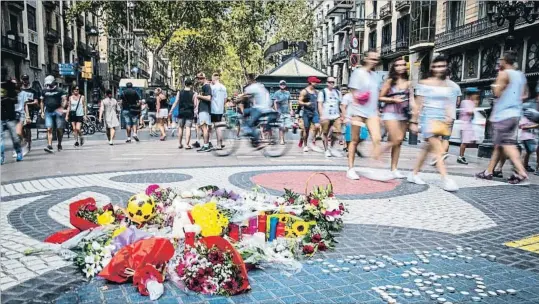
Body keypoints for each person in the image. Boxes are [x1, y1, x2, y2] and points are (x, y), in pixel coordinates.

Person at [475, 50, 529, 184]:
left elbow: (497, 92)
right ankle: (489, 171)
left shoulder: (504, 74)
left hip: (503, 115)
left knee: (506, 144)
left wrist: (497, 84)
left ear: (504, 61)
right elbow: (524, 95)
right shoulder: (520, 75)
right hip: (515, 114)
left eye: (501, 60)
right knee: (499, 145)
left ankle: (521, 172)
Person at [407, 56, 459, 191]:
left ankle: (413, 174)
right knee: (438, 150)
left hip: (441, 120)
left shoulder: (448, 85)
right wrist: (414, 121)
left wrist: (448, 117)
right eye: (436, 66)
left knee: (426, 149)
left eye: (442, 66)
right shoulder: (425, 83)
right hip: (428, 119)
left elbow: (448, 103)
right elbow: (418, 105)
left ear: (446, 68)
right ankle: (445, 178)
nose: (438, 69)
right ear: (431, 68)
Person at [346, 51, 385, 180]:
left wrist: (378, 112)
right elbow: (353, 92)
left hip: (372, 113)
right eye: (372, 58)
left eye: (376, 59)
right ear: (366, 58)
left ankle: (374, 168)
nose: (374, 60)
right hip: (357, 112)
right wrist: (358, 99)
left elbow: (377, 95)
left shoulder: (376, 76)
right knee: (354, 140)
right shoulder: (358, 73)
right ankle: (350, 169)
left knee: (377, 139)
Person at [378, 57, 413, 178]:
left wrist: (414, 113)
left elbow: (411, 99)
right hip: (390, 112)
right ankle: (378, 154)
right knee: (396, 139)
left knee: (398, 142)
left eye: (403, 65)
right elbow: (380, 97)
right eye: (397, 65)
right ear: (394, 67)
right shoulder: (389, 81)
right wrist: (393, 99)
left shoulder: (409, 83)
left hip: (403, 113)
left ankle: (394, 168)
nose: (400, 67)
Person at [430, 72, 462, 165]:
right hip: (451, 115)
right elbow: (458, 102)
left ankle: (439, 155)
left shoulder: (440, 85)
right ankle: (442, 156)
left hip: (440, 114)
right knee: (446, 138)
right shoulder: (456, 86)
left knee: (436, 137)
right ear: (450, 75)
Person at [238, 73, 272, 147]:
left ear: (250, 80)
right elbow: (249, 96)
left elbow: (245, 95)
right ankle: (254, 138)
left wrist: (237, 100)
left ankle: (257, 141)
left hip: (259, 108)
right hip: (265, 108)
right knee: (248, 115)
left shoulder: (252, 87)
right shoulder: (260, 86)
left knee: (248, 123)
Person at [318, 77, 345, 157]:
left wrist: (343, 115)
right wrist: (321, 115)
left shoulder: (338, 92)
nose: (331, 83)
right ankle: (326, 149)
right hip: (326, 116)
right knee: (325, 133)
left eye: (333, 82)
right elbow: (320, 104)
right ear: (327, 83)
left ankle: (332, 147)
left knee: (337, 132)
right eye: (330, 82)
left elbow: (341, 104)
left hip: (336, 115)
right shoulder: (322, 92)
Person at [40, 75, 67, 153]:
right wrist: (42, 111)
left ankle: (59, 144)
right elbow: (41, 102)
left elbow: (65, 100)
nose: (48, 85)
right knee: (49, 128)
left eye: (50, 83)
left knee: (59, 129)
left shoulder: (59, 90)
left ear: (53, 82)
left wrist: (62, 108)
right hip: (48, 111)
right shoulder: (44, 91)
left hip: (58, 111)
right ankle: (49, 145)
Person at [1, 68, 23, 163]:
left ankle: (18, 151)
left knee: (14, 137)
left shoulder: (10, 85)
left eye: (3, 74)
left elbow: (16, 99)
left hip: (10, 115)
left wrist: (7, 99)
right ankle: (1, 157)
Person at [170, 78, 197, 149]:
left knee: (180, 128)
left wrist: (171, 111)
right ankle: (187, 144)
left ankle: (179, 143)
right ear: (191, 85)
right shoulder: (194, 93)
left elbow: (176, 102)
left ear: (184, 84)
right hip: (189, 113)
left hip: (181, 112)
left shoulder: (180, 92)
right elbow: (195, 105)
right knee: (188, 128)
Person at [298, 76, 323, 153]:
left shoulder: (317, 92)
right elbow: (299, 102)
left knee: (317, 126)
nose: (317, 83)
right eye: (315, 82)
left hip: (315, 112)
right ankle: (305, 145)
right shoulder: (304, 91)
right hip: (306, 113)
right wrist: (306, 103)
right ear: (311, 83)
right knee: (306, 130)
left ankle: (311, 141)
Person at [457, 88, 480, 165]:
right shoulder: (466, 102)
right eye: (475, 95)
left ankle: (461, 156)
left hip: (468, 124)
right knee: (464, 142)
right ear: (471, 95)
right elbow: (469, 112)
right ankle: (460, 157)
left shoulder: (470, 102)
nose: (476, 97)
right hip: (465, 124)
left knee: (467, 142)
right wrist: (475, 105)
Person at [18, 74, 38, 155]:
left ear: (28, 80)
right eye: (23, 79)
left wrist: (28, 103)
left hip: (29, 111)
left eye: (26, 79)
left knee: (27, 128)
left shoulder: (33, 91)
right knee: (21, 128)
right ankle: (24, 140)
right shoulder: (19, 90)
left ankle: (28, 143)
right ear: (22, 80)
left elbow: (36, 102)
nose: (25, 81)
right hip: (20, 111)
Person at [195, 72, 213, 152]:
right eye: (198, 79)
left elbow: (209, 98)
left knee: (204, 128)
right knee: (205, 128)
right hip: (204, 109)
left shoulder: (207, 86)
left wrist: (199, 96)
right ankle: (207, 144)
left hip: (204, 110)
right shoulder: (204, 87)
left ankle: (206, 146)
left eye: (200, 79)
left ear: (203, 78)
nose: (199, 80)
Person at [210, 73, 227, 149]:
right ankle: (221, 142)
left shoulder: (213, 88)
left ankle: (219, 144)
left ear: (214, 79)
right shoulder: (223, 87)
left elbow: (209, 98)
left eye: (212, 79)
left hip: (214, 109)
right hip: (220, 109)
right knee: (218, 126)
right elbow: (225, 99)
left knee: (217, 127)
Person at [519, 101, 538, 172]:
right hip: (526, 137)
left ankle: (525, 166)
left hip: (529, 137)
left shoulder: (531, 118)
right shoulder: (525, 118)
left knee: (528, 152)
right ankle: (521, 167)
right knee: (526, 152)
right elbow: (522, 127)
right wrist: (534, 126)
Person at [272, 80, 292, 145]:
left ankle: (282, 137)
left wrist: (291, 109)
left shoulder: (288, 93)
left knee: (287, 127)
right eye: (281, 84)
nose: (282, 85)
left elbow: (290, 101)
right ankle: (281, 139)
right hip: (280, 111)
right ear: (279, 85)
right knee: (281, 126)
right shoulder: (276, 93)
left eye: (283, 84)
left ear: (285, 85)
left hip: (287, 111)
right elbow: (274, 102)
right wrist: (276, 110)